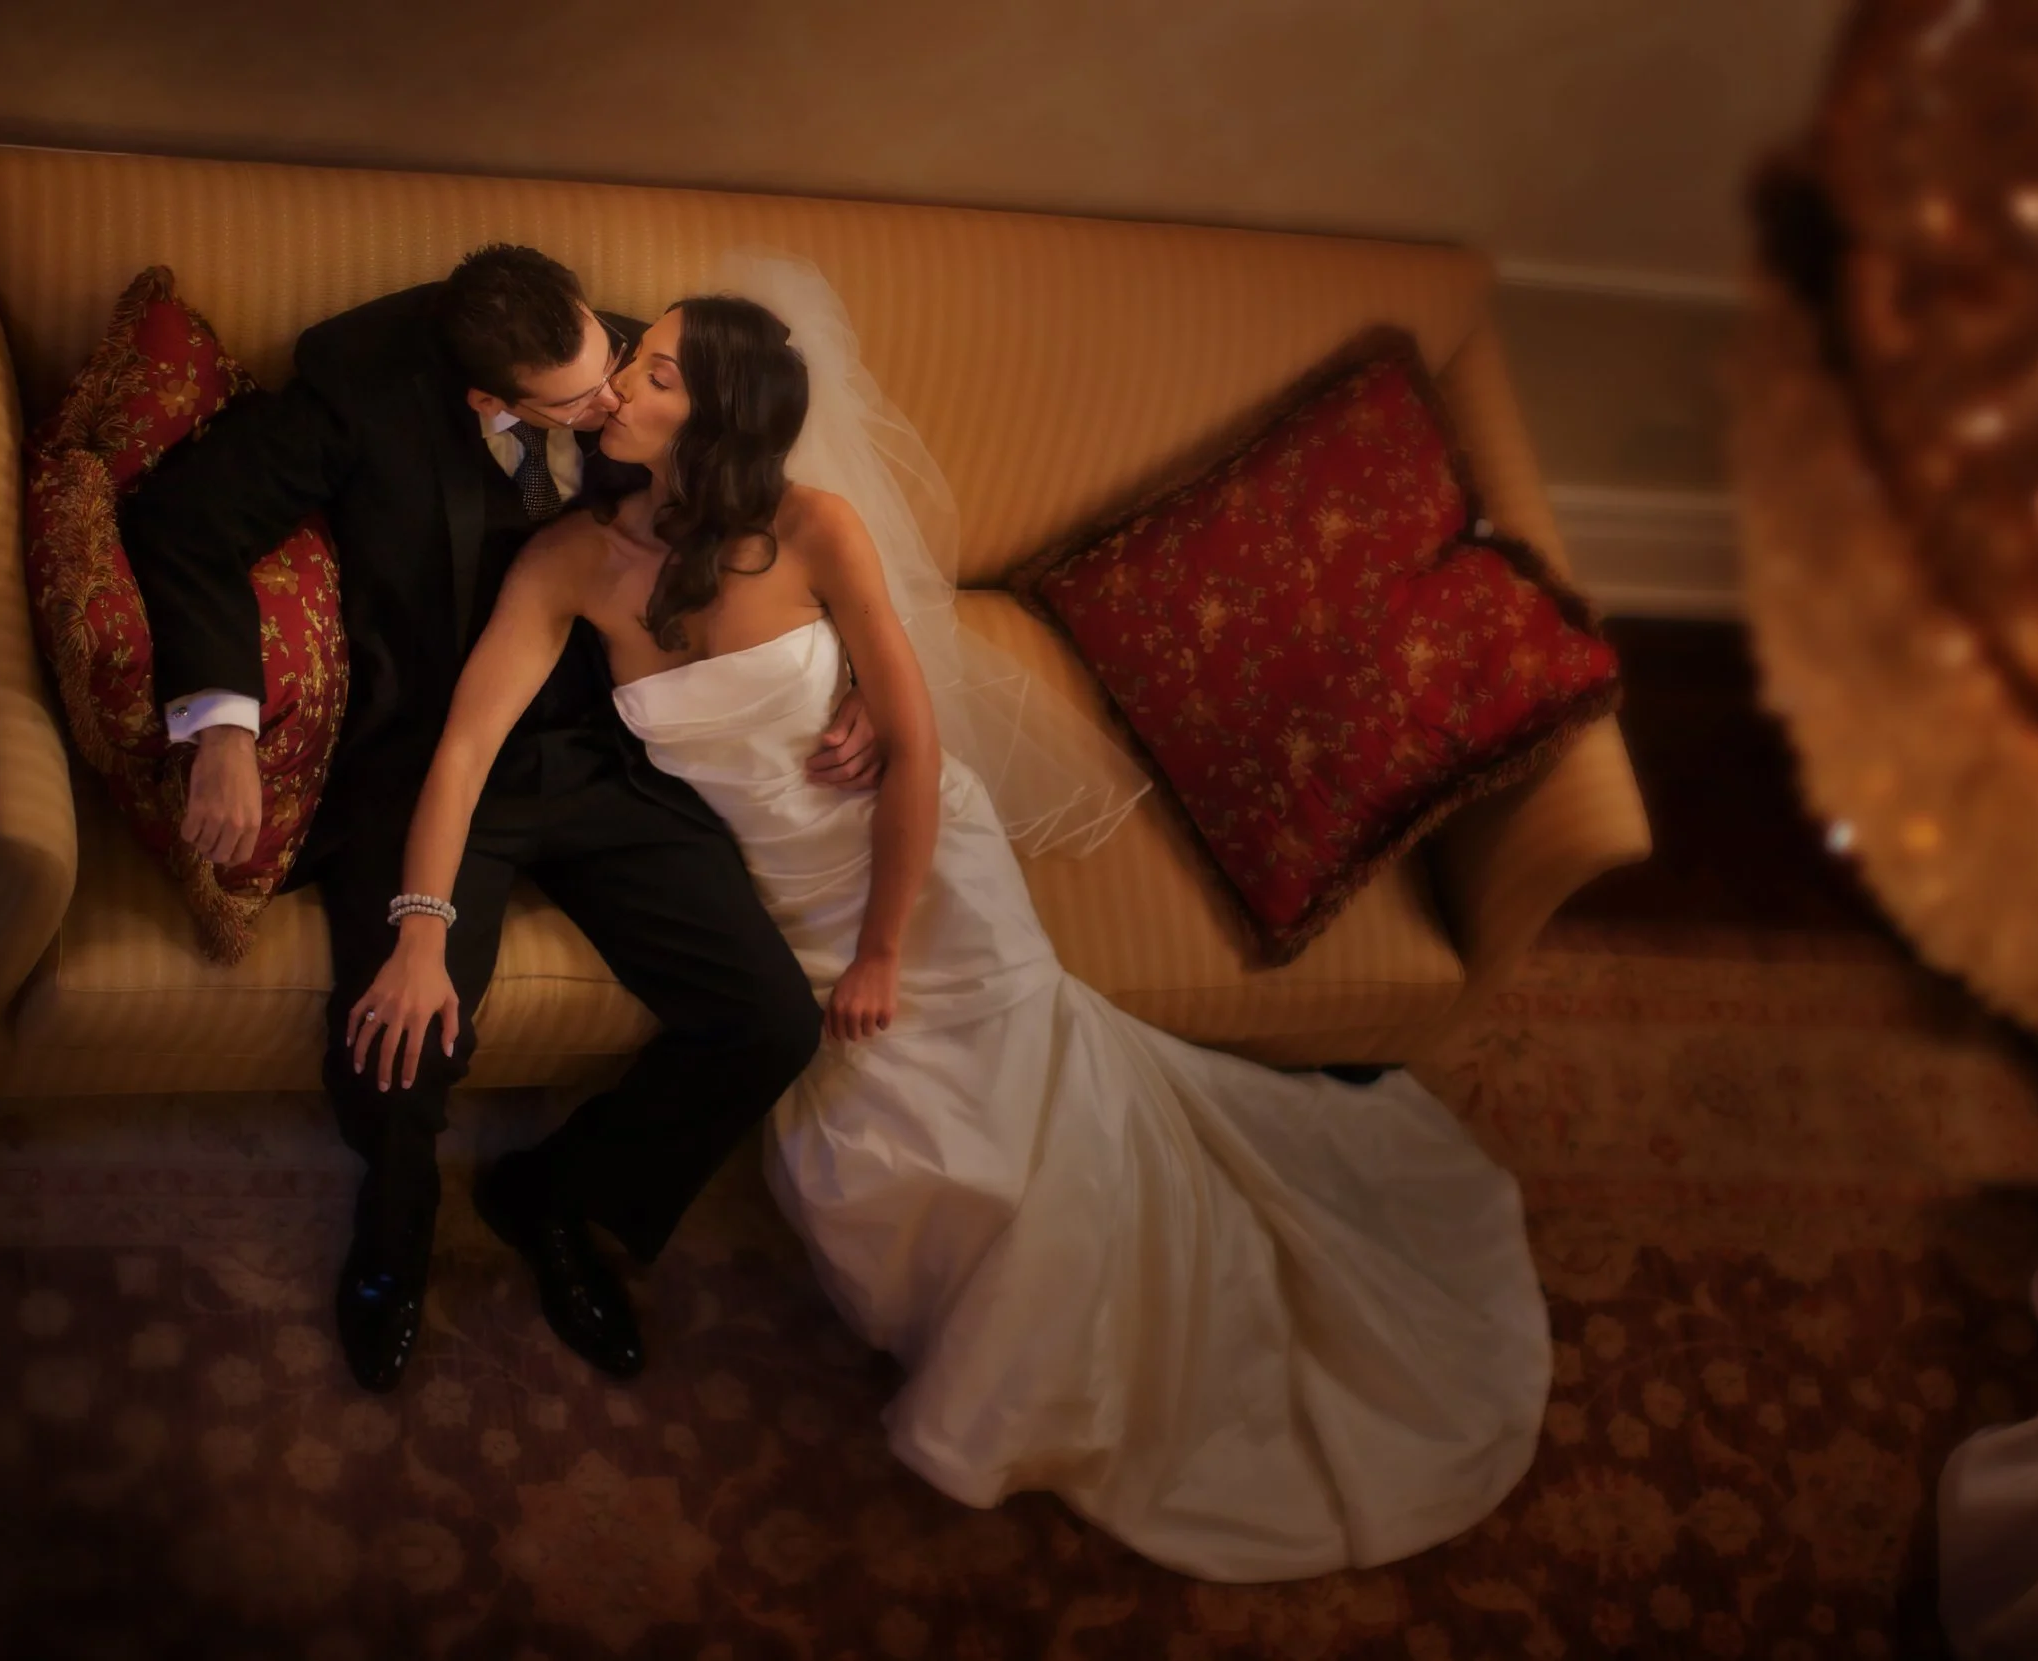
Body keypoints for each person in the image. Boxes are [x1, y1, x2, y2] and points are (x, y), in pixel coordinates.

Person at [348, 252, 1551, 1582]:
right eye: (632, 362)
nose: (621, 378)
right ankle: (915, 1306)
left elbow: (914, 753)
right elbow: (464, 747)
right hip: (773, 884)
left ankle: (1061, 1347)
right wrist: (417, 926)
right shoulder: (574, 560)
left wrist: (880, 947)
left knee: (1009, 1127)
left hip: (916, 870)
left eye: (657, 370)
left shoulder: (816, 530)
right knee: (879, 1141)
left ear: (727, 419)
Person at [119, 246, 882, 1393]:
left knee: (769, 1020)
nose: (615, 399)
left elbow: (765, 501)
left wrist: (862, 671)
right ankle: (395, 1226)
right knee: (398, 1034)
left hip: (604, 748)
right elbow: (184, 518)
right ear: (491, 401)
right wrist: (223, 727)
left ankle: (551, 1196)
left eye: (617, 365)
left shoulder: (638, 361)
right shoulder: (357, 386)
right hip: (431, 753)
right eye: (582, 401)